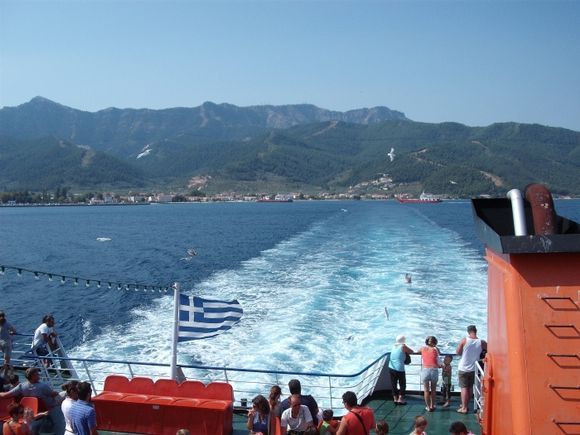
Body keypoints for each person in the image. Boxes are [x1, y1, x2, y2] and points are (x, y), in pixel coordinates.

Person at [0, 367, 65, 435]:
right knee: (65, 394)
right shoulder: (43, 386)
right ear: (32, 376)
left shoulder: (21, 386)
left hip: (32, 409)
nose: (39, 375)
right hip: (49, 406)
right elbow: (53, 394)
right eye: (37, 374)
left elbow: (5, 395)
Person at [456, 325, 487, 414]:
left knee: (464, 388)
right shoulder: (481, 342)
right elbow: (490, 350)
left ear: (468, 332)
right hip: (474, 368)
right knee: (470, 388)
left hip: (463, 367)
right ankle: (465, 404)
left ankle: (464, 407)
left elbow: (458, 352)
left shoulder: (464, 340)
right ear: (476, 331)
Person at [388, 335, 414, 405]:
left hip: (391, 367)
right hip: (399, 368)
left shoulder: (393, 346)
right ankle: (400, 399)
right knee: (402, 384)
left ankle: (395, 399)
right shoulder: (403, 346)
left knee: (394, 384)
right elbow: (411, 351)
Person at [420, 336, 440, 412]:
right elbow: (439, 355)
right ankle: (433, 405)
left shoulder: (422, 348)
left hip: (425, 370)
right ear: (435, 342)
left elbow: (418, 351)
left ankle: (428, 407)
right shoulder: (436, 349)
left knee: (426, 390)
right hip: (434, 370)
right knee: (433, 390)